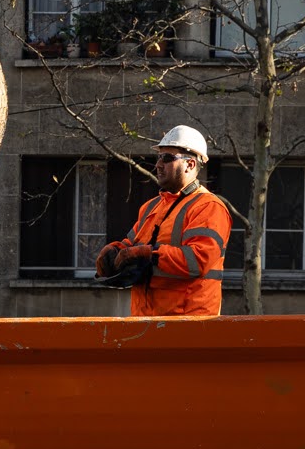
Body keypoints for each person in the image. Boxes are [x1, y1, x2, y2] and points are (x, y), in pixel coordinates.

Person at [95, 125, 232, 318]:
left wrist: (149, 254)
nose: (158, 164)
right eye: (158, 157)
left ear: (190, 164)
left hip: (189, 324)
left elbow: (197, 261)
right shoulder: (151, 207)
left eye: (167, 158)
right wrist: (114, 252)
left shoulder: (208, 206)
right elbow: (131, 246)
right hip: (145, 321)